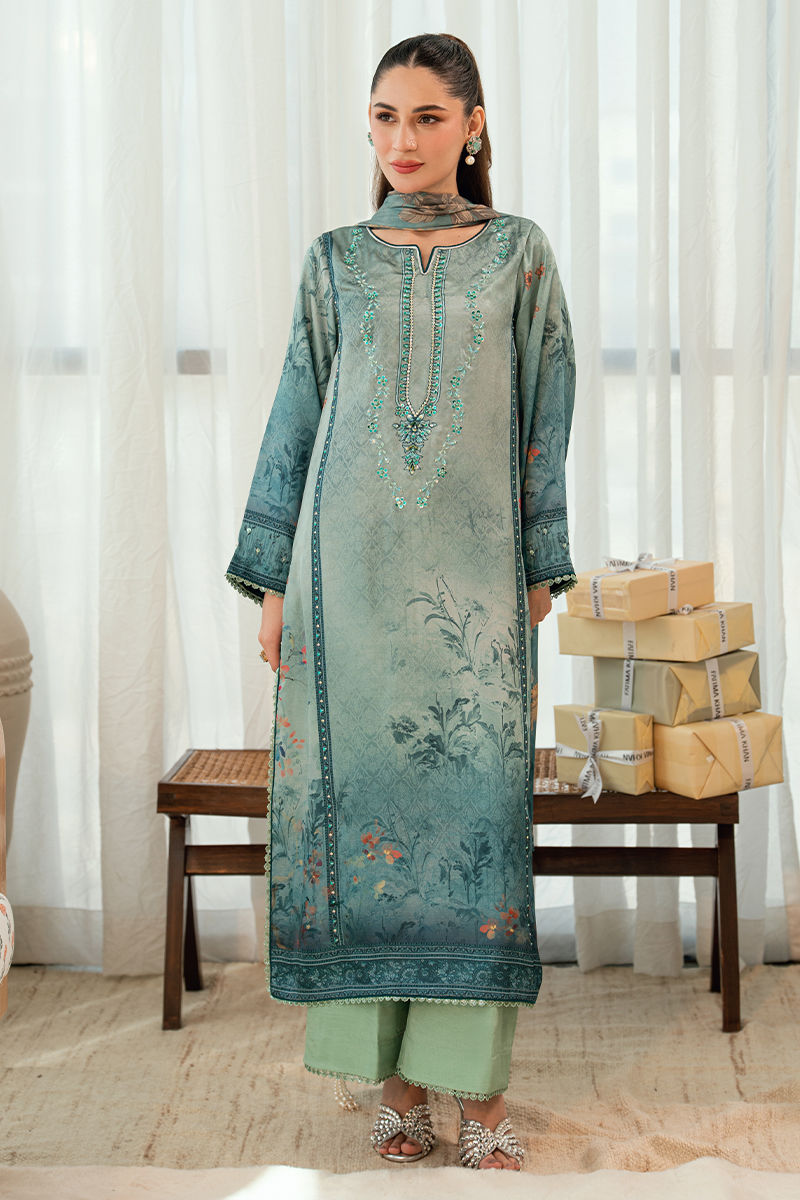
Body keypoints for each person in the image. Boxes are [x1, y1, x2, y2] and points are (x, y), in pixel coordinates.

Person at [225, 32, 577, 1171]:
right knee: (356, 820)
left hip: (474, 592)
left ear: (473, 125)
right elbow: (295, 414)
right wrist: (273, 584)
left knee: (476, 833)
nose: (402, 139)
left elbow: (547, 412)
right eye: (385, 116)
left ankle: (481, 1102)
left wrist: (539, 564)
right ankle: (394, 1093)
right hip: (345, 586)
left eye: (427, 116)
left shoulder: (518, 254)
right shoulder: (334, 260)